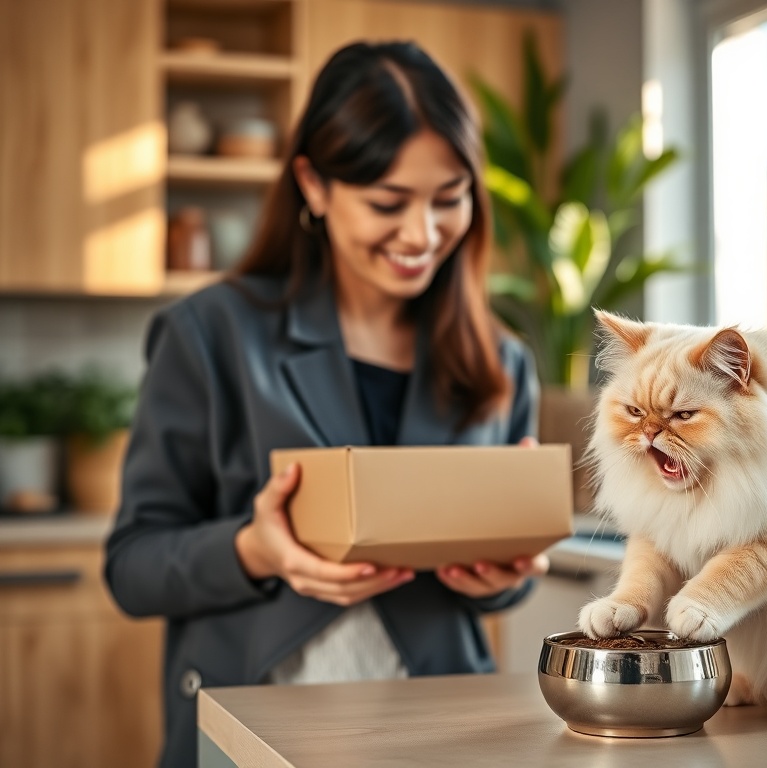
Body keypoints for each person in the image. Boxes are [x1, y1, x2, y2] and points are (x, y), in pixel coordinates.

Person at [104, 41, 547, 768]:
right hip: (257, 732)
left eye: (449, 198)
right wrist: (253, 550)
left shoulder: (502, 363)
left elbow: (490, 597)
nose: (422, 234)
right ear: (313, 184)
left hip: (445, 736)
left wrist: (503, 577)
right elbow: (133, 565)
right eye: (387, 203)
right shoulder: (210, 334)